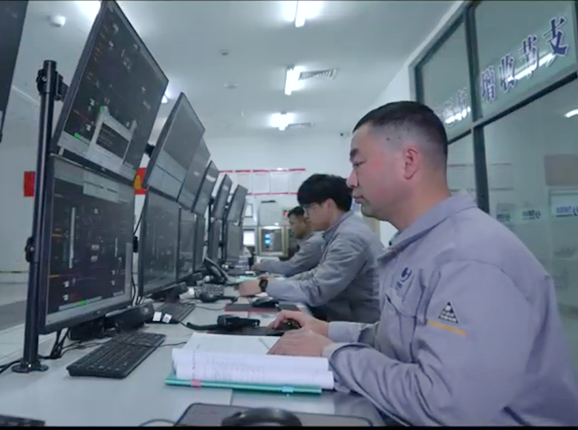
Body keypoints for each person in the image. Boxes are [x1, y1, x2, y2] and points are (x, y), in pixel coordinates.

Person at [266, 101, 578, 426]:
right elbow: (401, 340)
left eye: (358, 164)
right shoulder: (421, 246)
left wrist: (330, 354)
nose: (351, 181)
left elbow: (443, 404)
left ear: (408, 162)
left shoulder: (470, 258)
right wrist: (327, 330)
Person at [239, 174, 383, 323]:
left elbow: (317, 291)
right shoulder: (342, 231)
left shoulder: (349, 238)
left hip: (359, 326)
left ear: (328, 205)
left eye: (308, 208)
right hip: (346, 318)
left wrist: (265, 286)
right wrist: (275, 283)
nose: (306, 216)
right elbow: (318, 273)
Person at [251, 206, 324, 277]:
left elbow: (290, 267)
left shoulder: (313, 243)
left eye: (292, 223)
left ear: (305, 222)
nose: (290, 228)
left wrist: (264, 265)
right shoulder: (308, 241)